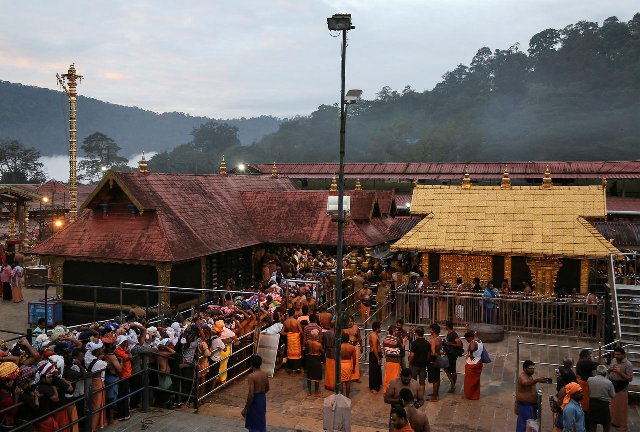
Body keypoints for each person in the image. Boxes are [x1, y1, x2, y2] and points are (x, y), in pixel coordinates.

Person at [516, 360, 550, 432]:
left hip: (531, 405)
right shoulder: (522, 377)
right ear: (525, 369)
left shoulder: (530, 377)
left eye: (533, 368)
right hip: (526, 405)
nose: (532, 370)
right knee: (528, 424)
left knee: (525, 423)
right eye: (530, 368)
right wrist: (537, 380)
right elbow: (525, 383)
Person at [241, 355, 269, 432]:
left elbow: (251, 394)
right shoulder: (265, 374)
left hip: (255, 400)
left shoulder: (251, 376)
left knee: (254, 423)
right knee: (261, 420)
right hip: (262, 398)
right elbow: (267, 388)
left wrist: (245, 408)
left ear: (251, 364)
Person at [607, 347, 632, 431]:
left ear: (623, 355)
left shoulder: (628, 364)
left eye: (618, 354)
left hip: (621, 387)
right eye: (615, 354)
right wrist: (610, 370)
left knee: (622, 407)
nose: (616, 356)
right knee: (613, 406)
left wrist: (619, 372)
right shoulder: (614, 360)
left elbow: (630, 378)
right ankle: (614, 421)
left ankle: (622, 425)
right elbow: (609, 370)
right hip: (612, 386)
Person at [587, 365, 615, 432]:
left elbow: (588, 391)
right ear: (605, 373)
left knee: (593, 423)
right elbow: (612, 395)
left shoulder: (589, 379)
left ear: (596, 372)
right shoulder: (609, 383)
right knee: (606, 424)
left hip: (592, 403)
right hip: (603, 405)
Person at [576, 349, 599, 416]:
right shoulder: (585, 362)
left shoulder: (580, 361)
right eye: (590, 356)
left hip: (581, 383)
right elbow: (597, 365)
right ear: (587, 356)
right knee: (585, 403)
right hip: (584, 385)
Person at [442, 320, 463, 393]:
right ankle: (452, 385)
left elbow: (459, 344)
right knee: (452, 369)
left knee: (448, 369)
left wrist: (449, 344)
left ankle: (453, 385)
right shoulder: (449, 334)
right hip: (450, 353)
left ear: (447, 326)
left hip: (452, 354)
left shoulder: (453, 334)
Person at [282, 308, 303, 376]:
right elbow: (301, 331)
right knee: (296, 355)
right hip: (296, 339)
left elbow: (282, 332)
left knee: (290, 355)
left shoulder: (285, 322)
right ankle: (296, 370)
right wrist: (295, 334)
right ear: (294, 313)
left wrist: (289, 334)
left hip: (290, 340)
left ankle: (292, 370)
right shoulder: (296, 322)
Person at [463, 331, 483, 400]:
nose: (467, 341)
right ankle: (475, 395)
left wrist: (470, 354)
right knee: (476, 382)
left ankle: (469, 395)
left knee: (469, 382)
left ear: (470, 338)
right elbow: (476, 335)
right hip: (479, 361)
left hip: (472, 364)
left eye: (467, 339)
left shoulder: (473, 342)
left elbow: (472, 348)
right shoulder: (479, 340)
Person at [408, 327, 428, 397]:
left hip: (414, 365)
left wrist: (409, 362)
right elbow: (428, 355)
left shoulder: (414, 343)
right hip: (423, 365)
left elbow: (412, 355)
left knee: (413, 381)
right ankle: (421, 397)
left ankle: (414, 396)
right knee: (422, 382)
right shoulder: (427, 343)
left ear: (416, 334)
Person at [383, 326, 403, 395]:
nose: (397, 332)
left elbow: (384, 349)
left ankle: (386, 391)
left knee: (387, 376)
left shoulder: (385, 339)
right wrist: (404, 341)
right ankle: (394, 392)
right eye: (396, 331)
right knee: (395, 377)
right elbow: (401, 347)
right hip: (395, 360)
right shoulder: (397, 340)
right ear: (393, 332)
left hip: (388, 359)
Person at [342, 316, 362, 382]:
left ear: (353, 321)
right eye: (348, 321)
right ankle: (348, 376)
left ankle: (356, 377)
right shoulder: (344, 328)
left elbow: (359, 337)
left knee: (355, 362)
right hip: (347, 347)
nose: (350, 323)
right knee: (348, 362)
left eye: (351, 321)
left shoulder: (356, 328)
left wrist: (361, 346)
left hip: (355, 345)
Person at [305, 329, 324, 397]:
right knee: (317, 376)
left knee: (309, 375)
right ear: (316, 336)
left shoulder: (308, 342)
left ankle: (309, 391)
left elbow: (307, 349)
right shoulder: (318, 344)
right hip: (316, 359)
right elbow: (322, 352)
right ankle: (316, 392)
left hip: (310, 358)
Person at [426, 324, 441, 401]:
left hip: (433, 360)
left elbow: (433, 352)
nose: (430, 331)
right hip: (438, 361)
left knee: (434, 379)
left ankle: (434, 397)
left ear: (433, 330)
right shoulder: (439, 338)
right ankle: (436, 393)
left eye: (431, 329)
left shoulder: (433, 340)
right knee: (437, 378)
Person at [339, 333, 356, 398]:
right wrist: (353, 368)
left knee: (341, 382)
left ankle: (341, 397)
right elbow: (354, 359)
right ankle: (347, 396)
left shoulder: (340, 347)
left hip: (341, 364)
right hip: (348, 364)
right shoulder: (352, 347)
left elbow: (337, 357)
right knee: (347, 382)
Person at [369, 321, 383, 394]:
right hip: (374, 355)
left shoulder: (376, 335)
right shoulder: (373, 336)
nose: (381, 329)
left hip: (377, 354)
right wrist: (378, 358)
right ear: (377, 328)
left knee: (377, 371)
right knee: (374, 371)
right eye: (380, 327)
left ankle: (376, 386)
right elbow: (374, 348)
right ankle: (373, 388)